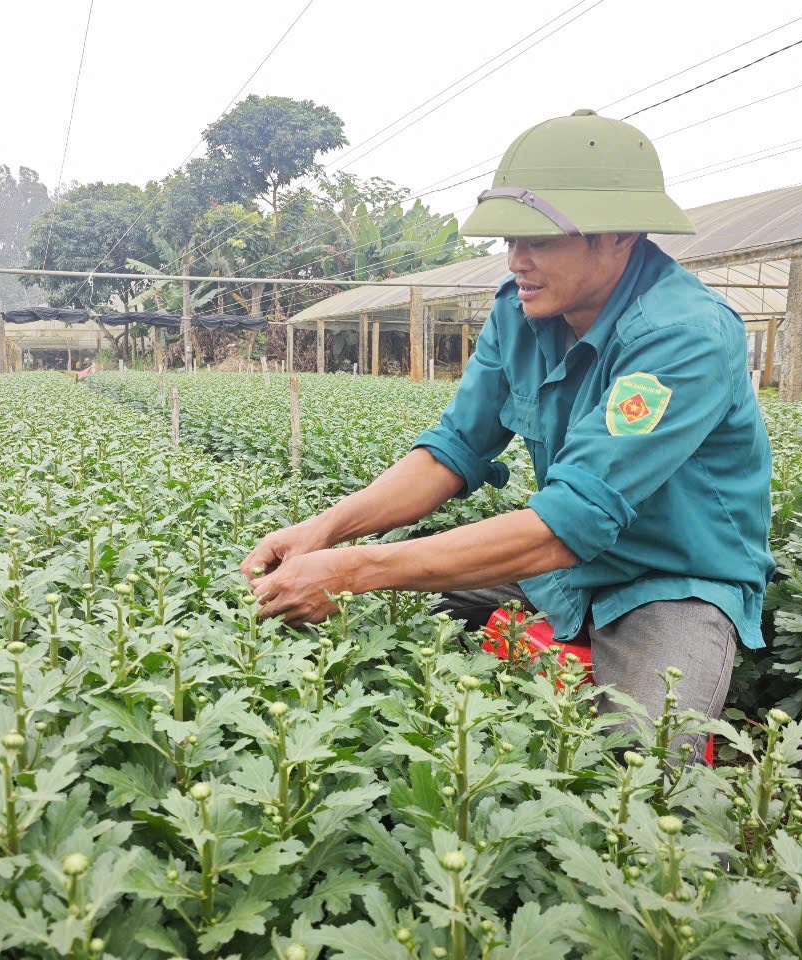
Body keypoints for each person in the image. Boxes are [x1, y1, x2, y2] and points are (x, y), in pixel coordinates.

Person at [242, 110, 774, 754]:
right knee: (378, 626)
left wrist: (356, 569)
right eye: (510, 240)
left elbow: (570, 521)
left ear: (620, 234)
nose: (518, 261)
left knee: (649, 764)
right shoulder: (519, 311)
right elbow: (453, 451)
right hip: (557, 565)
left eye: (542, 240)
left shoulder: (681, 335)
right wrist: (325, 531)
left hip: (672, 578)